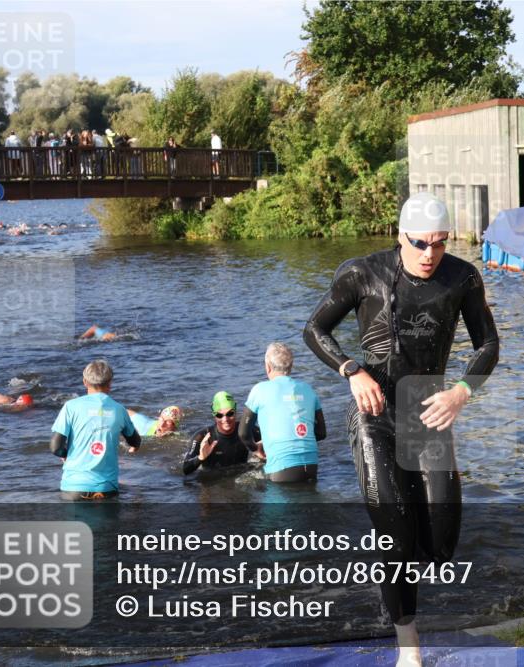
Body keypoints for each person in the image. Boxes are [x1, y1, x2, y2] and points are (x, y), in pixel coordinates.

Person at [303, 191, 499, 666]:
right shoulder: (362, 273)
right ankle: (407, 642)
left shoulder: (462, 277)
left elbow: (489, 343)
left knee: (441, 543)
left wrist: (461, 392)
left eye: (439, 243)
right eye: (420, 244)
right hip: (375, 414)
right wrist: (352, 370)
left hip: (428, 412)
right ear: (399, 236)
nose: (430, 254)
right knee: (396, 532)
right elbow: (314, 329)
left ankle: (395, 579)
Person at [49, 359, 141, 500]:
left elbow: (55, 447)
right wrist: (135, 446)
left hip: (74, 487)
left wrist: (65, 454)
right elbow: (135, 440)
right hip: (106, 489)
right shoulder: (119, 410)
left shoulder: (70, 407)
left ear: (85, 382)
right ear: (110, 384)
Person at [239, 343, 325, 483]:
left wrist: (255, 449)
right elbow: (321, 433)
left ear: (267, 366)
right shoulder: (308, 389)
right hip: (311, 465)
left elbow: (243, 433)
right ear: (291, 366)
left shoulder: (259, 390)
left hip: (282, 467)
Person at [182, 392, 255, 475]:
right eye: (219, 415)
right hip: (212, 481)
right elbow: (185, 469)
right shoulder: (202, 437)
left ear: (235, 412)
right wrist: (201, 457)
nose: (225, 419)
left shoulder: (246, 430)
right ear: (214, 415)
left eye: (230, 414)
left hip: (241, 476)